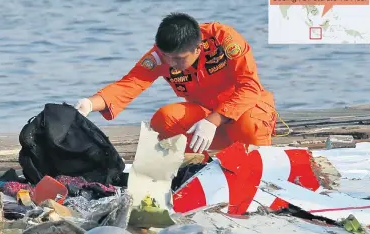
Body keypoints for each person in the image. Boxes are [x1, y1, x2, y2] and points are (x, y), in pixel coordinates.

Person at [75, 12, 277, 154]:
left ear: (198, 49)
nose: (171, 64)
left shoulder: (223, 39)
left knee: (250, 123)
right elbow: (130, 84)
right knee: (163, 119)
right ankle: (197, 167)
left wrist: (214, 120)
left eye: (179, 59)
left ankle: (260, 167)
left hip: (244, 115)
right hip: (204, 120)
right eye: (167, 57)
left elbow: (250, 87)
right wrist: (89, 104)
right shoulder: (159, 56)